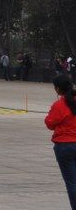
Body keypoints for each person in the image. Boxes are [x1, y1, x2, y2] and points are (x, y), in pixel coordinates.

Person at [45, 75, 76, 209]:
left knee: (72, 182)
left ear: (58, 89)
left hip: (65, 146)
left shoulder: (59, 105)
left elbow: (50, 123)